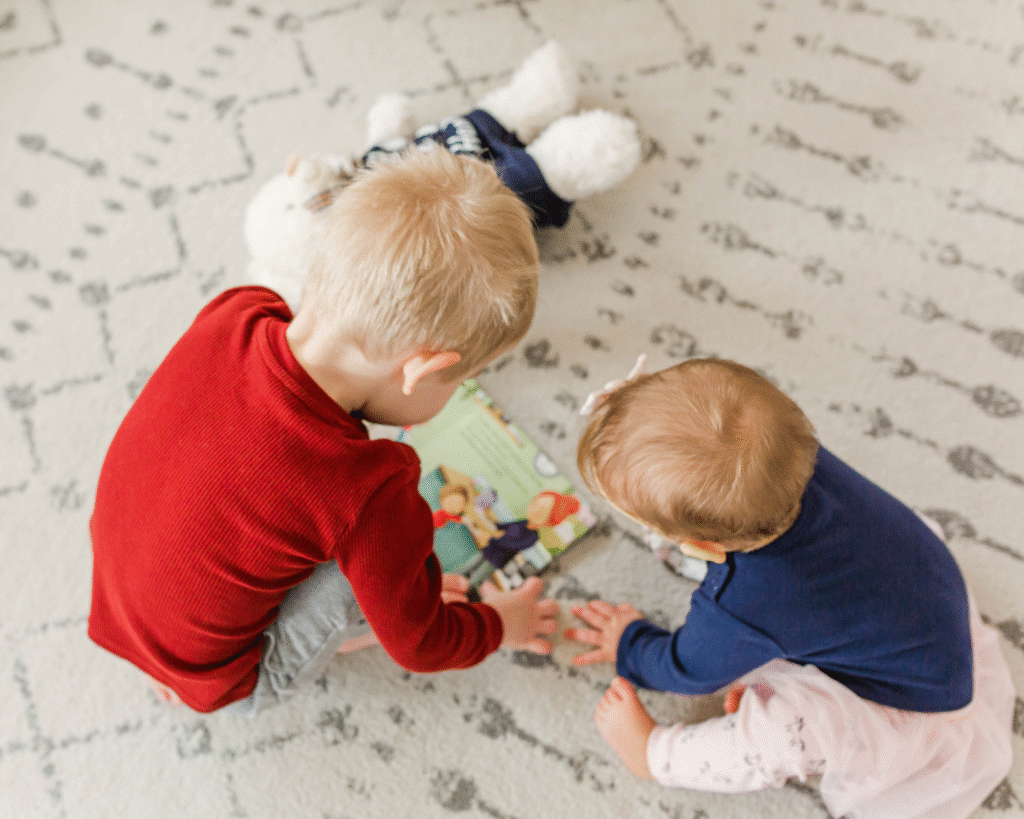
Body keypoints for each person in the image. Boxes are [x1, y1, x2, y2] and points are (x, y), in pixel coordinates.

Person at [88, 148, 559, 716]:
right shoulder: (369, 488)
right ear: (423, 369)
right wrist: (497, 625)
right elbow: (422, 646)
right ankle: (354, 626)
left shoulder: (237, 311)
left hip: (120, 598)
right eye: (465, 378)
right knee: (364, 556)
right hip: (229, 682)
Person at [565, 358, 1014, 819]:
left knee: (777, 735)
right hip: (924, 591)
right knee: (782, 632)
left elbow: (687, 669)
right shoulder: (787, 459)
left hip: (909, 706)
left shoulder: (739, 605)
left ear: (702, 545)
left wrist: (631, 644)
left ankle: (655, 756)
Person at [458, 490, 581, 587]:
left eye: (541, 511)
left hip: (496, 560)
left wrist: (493, 536)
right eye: (535, 503)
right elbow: (504, 526)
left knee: (472, 581)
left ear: (549, 522)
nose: (534, 509)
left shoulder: (533, 537)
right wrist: (486, 523)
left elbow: (511, 545)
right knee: (464, 568)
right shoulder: (524, 521)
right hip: (487, 549)